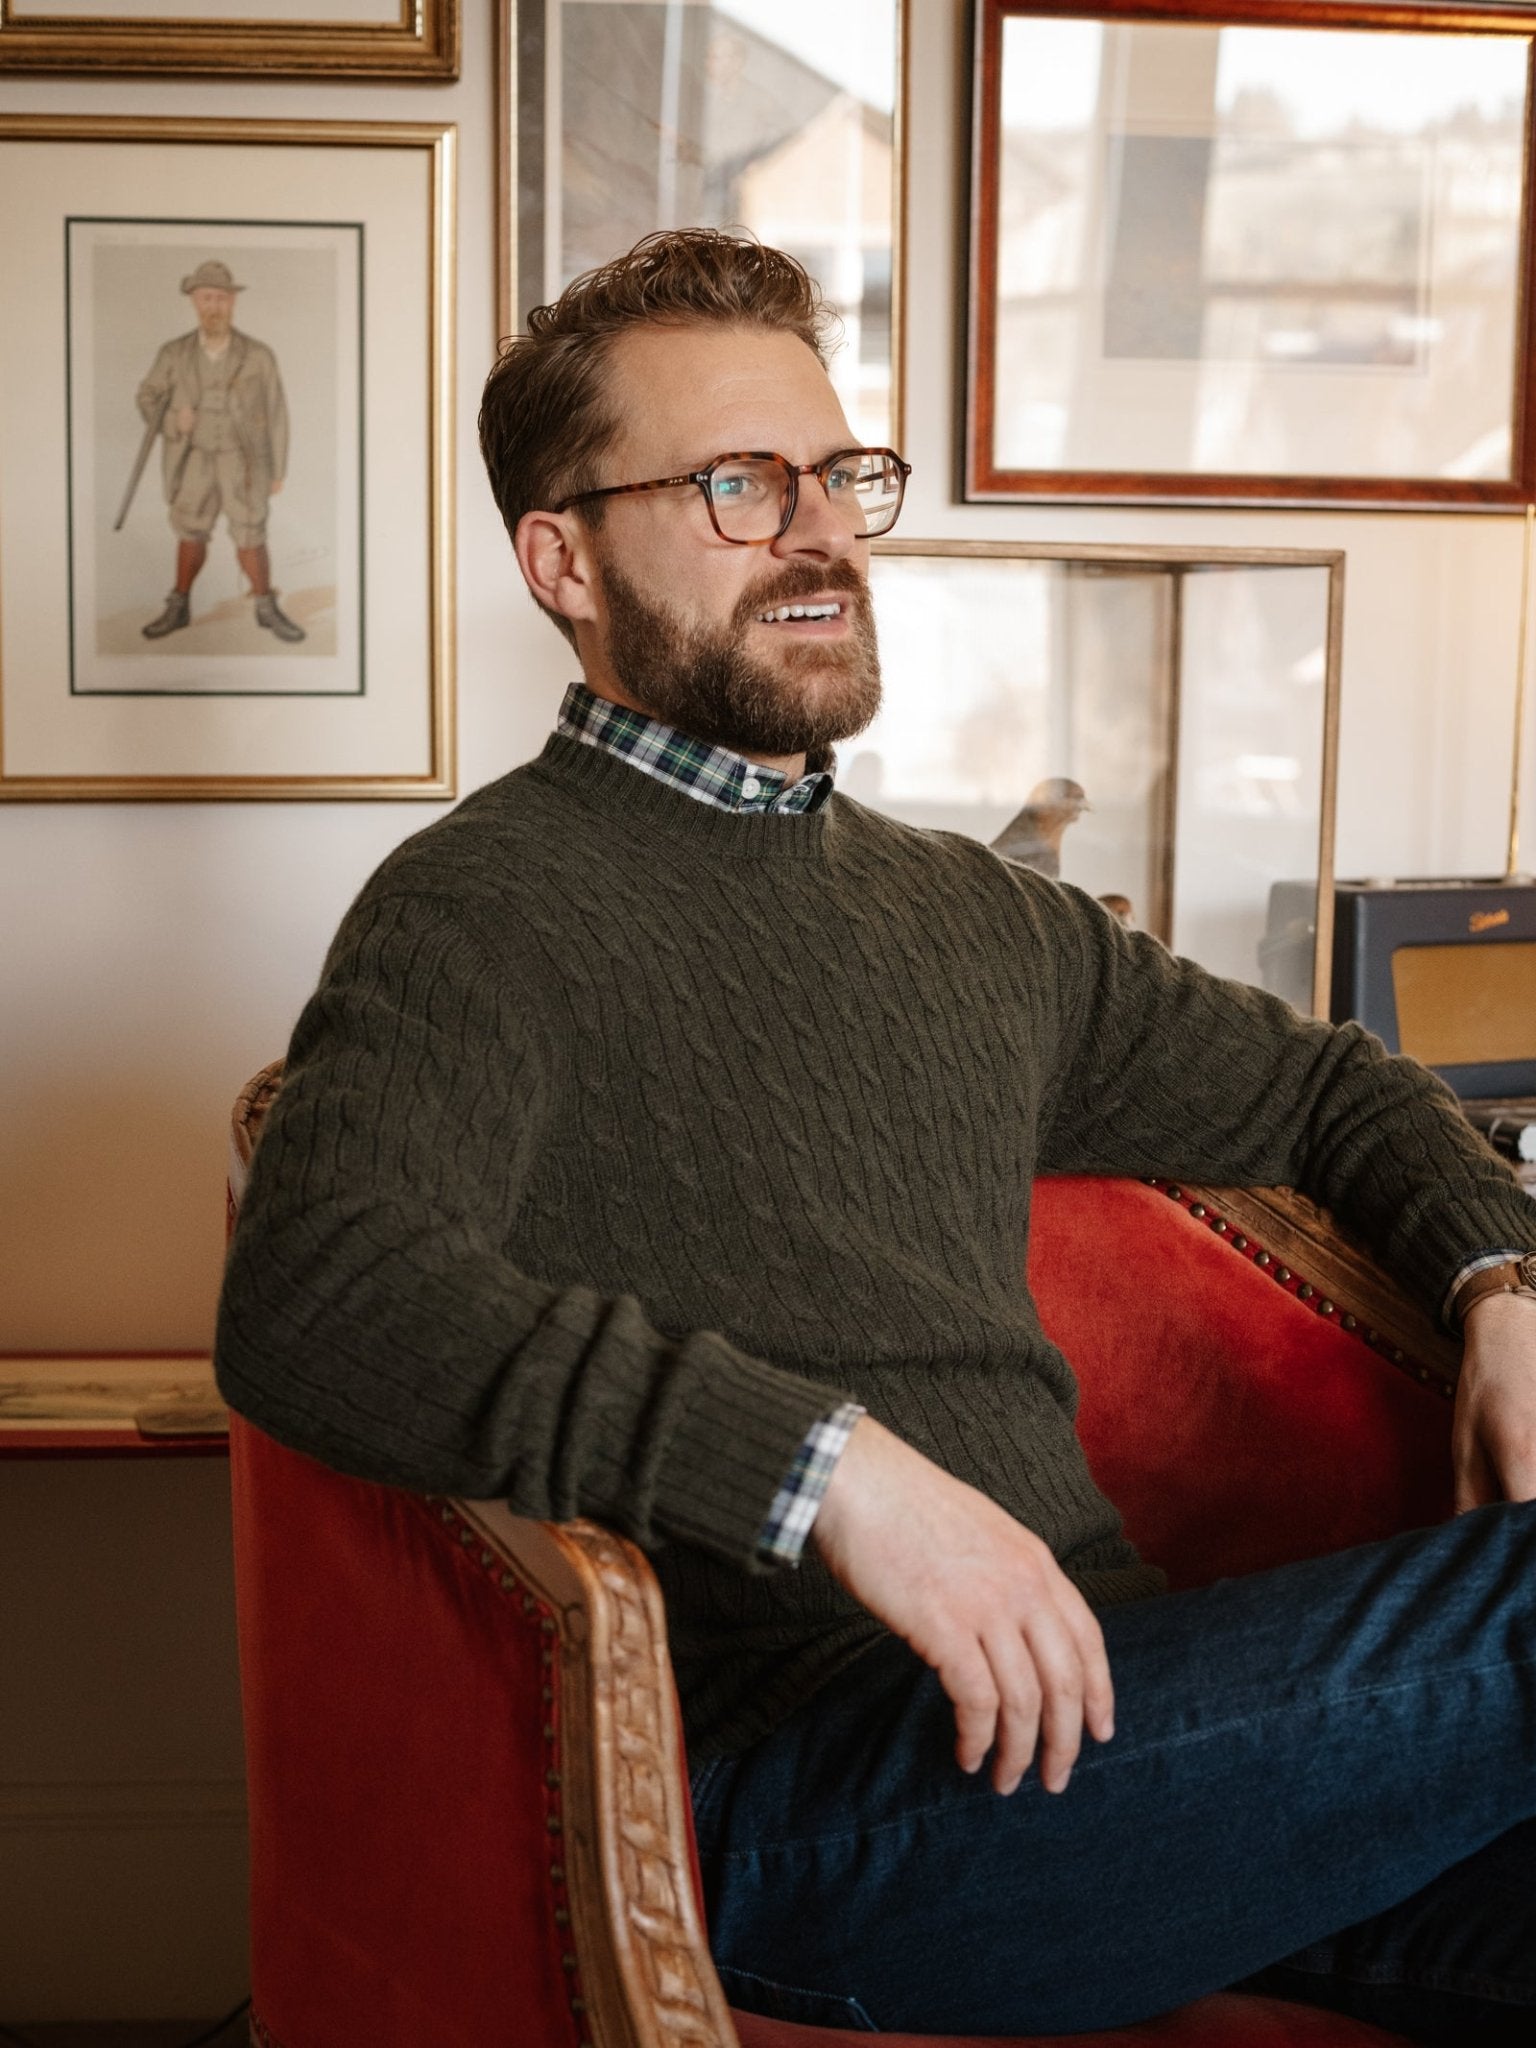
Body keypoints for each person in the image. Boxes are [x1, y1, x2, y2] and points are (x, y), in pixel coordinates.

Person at [216, 229, 1536, 2042]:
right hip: (810, 1803)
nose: (821, 531)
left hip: (1133, 1755)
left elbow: (1329, 1085)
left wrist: (1499, 1277)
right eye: (739, 485)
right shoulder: (477, 912)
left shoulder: (977, 918)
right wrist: (832, 1472)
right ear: (562, 558)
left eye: (838, 474)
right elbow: (316, 1292)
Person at [133, 259, 305, 645]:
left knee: (250, 530)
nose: (214, 306)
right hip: (192, 458)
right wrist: (173, 421)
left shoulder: (258, 355)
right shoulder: (173, 354)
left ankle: (265, 606)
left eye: (221, 298)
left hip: (243, 461)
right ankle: (179, 606)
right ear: (195, 301)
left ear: (232, 302)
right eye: (207, 298)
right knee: (190, 529)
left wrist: (277, 469)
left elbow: (277, 412)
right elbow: (147, 397)